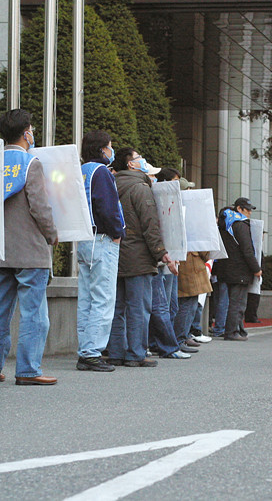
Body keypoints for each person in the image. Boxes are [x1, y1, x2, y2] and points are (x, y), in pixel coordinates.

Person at [0, 109, 59, 386]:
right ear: (26, 133)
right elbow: (40, 206)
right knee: (34, 313)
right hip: (30, 251)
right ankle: (28, 370)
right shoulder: (31, 163)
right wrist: (52, 234)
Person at [107, 148, 178, 367]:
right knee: (138, 307)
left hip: (113, 254)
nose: (143, 161)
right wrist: (162, 253)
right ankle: (136, 353)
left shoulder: (111, 185)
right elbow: (150, 224)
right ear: (131, 164)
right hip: (138, 256)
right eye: (139, 158)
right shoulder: (140, 188)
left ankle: (116, 352)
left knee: (117, 307)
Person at [75, 131, 125, 373]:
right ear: (102, 149)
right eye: (109, 147)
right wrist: (118, 232)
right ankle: (91, 352)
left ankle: (85, 349)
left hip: (84, 239)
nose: (111, 151)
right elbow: (108, 207)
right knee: (104, 298)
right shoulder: (102, 172)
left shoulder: (81, 170)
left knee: (86, 298)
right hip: (102, 239)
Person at [148, 167, 190, 359]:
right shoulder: (151, 197)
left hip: (169, 258)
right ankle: (165, 345)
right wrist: (165, 255)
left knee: (170, 305)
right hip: (161, 259)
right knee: (161, 306)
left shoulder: (171, 201)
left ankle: (164, 343)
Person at [215, 197, 262, 341]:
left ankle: (238, 329)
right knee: (238, 302)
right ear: (239, 209)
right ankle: (232, 331)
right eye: (247, 210)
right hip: (239, 268)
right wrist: (256, 268)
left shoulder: (226, 223)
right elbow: (247, 249)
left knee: (233, 301)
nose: (249, 213)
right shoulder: (240, 224)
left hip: (227, 267)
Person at [174, 251, 213, 348]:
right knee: (188, 304)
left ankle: (184, 336)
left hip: (189, 261)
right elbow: (203, 248)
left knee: (189, 304)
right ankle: (180, 338)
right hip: (191, 263)